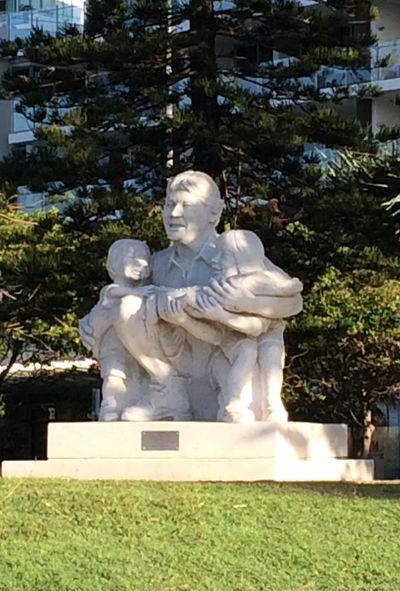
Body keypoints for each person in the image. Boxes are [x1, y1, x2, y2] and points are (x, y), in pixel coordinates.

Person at [102, 170, 303, 421]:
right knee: (128, 306)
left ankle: (238, 400)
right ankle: (166, 391)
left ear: (214, 213)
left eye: (186, 205)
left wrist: (246, 302)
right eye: (169, 204)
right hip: (177, 360)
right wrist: (96, 324)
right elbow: (121, 307)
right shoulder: (157, 264)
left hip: (227, 358)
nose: (174, 214)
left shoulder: (233, 252)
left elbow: (292, 299)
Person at [176, 230, 302, 422]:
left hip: (263, 331)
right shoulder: (221, 283)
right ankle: (233, 402)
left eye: (223, 256)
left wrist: (246, 303)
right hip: (232, 338)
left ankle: (271, 402)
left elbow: (288, 295)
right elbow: (195, 299)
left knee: (270, 351)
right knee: (247, 352)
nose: (214, 261)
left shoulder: (257, 276)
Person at [79, 239, 154, 421]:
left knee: (140, 375)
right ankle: (110, 405)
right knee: (113, 375)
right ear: (112, 266)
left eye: (144, 259)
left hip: (139, 346)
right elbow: (114, 296)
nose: (140, 264)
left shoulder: (150, 291)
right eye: (132, 258)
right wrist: (141, 293)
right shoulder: (112, 291)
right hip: (113, 345)